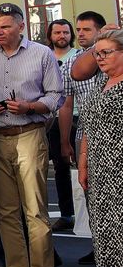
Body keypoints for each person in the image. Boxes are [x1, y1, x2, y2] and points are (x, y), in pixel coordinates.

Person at [0, 3, 63, 267]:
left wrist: (30, 106)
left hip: (29, 133)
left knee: (35, 210)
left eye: (5, 26)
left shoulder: (41, 54)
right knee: (6, 211)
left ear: (21, 27)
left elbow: (55, 96)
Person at [77, 29, 123, 267]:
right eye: (97, 54)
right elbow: (88, 127)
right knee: (109, 227)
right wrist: (83, 162)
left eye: (106, 52)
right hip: (99, 165)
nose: (100, 58)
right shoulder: (99, 83)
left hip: (119, 164)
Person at [60, 11, 107, 265]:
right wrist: (64, 140)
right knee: (89, 193)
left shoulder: (112, 54)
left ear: (100, 31)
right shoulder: (73, 62)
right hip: (84, 134)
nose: (80, 34)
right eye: (78, 30)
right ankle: (97, 243)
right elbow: (67, 104)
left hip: (110, 132)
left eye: (86, 30)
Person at [45, 18, 78, 232]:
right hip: (52, 120)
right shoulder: (45, 57)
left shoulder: (78, 57)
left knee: (81, 167)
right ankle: (66, 214)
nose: (61, 36)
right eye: (57, 32)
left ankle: (85, 214)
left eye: (65, 32)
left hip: (76, 117)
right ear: (50, 36)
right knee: (60, 168)